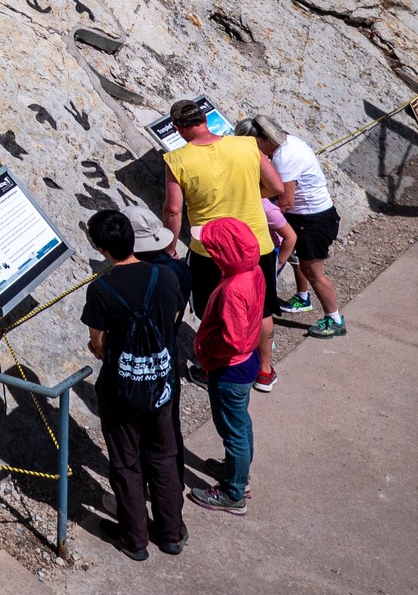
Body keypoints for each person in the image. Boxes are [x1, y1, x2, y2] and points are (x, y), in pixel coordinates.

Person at [82, 207, 189, 558]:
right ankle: (171, 534)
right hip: (161, 379)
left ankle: (135, 538)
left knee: (126, 462)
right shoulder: (166, 277)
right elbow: (171, 317)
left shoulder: (101, 290)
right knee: (163, 455)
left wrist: (106, 350)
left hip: (122, 387)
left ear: (101, 249)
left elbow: (97, 343)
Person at [160, 99, 285, 331]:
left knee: (213, 310)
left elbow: (173, 210)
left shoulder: (176, 160)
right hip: (257, 242)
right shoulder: (247, 145)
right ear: (205, 120)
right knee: (262, 309)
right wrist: (248, 192)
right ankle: (265, 365)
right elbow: (277, 187)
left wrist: (169, 247)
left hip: (211, 250)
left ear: (177, 128)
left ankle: (220, 363)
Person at [190, 216, 264, 514]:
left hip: (229, 368)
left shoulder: (233, 289)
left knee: (231, 430)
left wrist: (206, 352)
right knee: (241, 424)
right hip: (247, 362)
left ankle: (233, 493)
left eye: (212, 247)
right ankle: (238, 474)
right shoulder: (253, 271)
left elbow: (231, 340)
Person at [253, 114, 345, 338]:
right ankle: (303, 298)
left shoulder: (285, 158)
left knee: (313, 271)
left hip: (313, 220)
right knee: (299, 259)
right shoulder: (288, 142)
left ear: (265, 139)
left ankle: (335, 320)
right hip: (309, 216)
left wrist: (264, 215)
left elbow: (286, 201)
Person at [253, 198, 295, 391]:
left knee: (262, 308)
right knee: (260, 309)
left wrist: (278, 265)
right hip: (262, 255)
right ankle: (264, 368)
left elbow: (290, 237)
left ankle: (263, 361)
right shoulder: (259, 203)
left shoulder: (265, 207)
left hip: (265, 256)